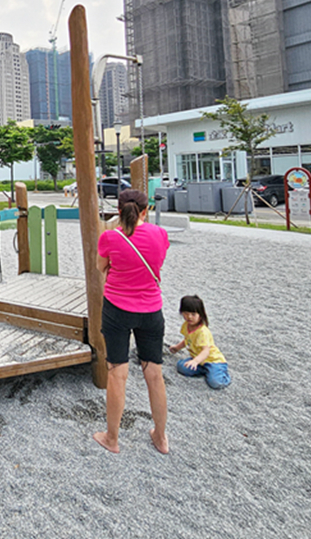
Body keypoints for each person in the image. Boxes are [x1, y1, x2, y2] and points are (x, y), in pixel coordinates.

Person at [92, 188, 171, 455]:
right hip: (151, 309)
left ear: (118, 210)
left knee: (117, 372)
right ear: (146, 210)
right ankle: (160, 436)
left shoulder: (110, 237)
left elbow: (100, 267)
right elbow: (158, 263)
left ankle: (112, 438)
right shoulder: (160, 234)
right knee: (154, 373)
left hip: (117, 308)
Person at [169, 295, 231, 389]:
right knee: (181, 367)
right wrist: (177, 347)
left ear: (200, 314)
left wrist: (195, 361)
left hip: (213, 361)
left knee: (216, 383)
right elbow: (187, 340)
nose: (189, 317)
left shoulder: (202, 332)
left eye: (193, 314)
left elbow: (206, 351)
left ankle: (220, 372)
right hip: (198, 360)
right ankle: (205, 371)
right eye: (186, 313)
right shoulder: (186, 325)